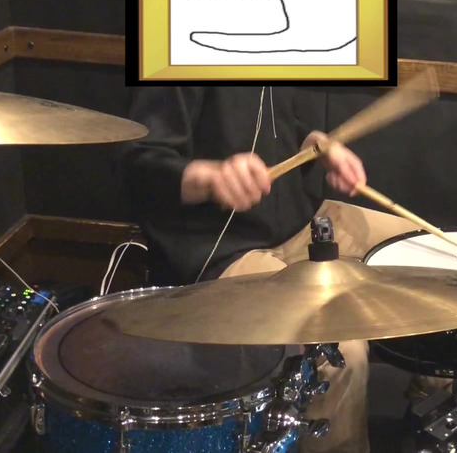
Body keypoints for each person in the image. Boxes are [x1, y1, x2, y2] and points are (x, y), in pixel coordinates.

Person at [118, 86, 375, 453]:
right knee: (340, 351)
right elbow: (137, 164)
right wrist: (211, 177)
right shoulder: (177, 55)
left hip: (296, 222)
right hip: (220, 243)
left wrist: (314, 143)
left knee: (429, 260)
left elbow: (277, 124)